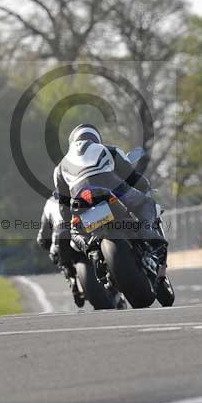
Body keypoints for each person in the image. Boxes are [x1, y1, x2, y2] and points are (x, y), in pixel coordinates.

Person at [53, 124, 167, 277]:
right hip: (114, 189)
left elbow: (64, 207)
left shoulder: (59, 167)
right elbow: (133, 178)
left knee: (73, 229)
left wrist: (71, 220)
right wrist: (145, 187)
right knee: (146, 203)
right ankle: (146, 231)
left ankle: (92, 252)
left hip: (81, 201)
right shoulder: (108, 150)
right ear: (95, 138)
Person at [36, 193, 83, 306]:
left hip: (62, 238)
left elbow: (43, 237)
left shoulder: (50, 201)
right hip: (80, 234)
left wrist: (46, 245)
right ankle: (71, 276)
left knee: (56, 253)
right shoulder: (81, 192)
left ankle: (71, 277)